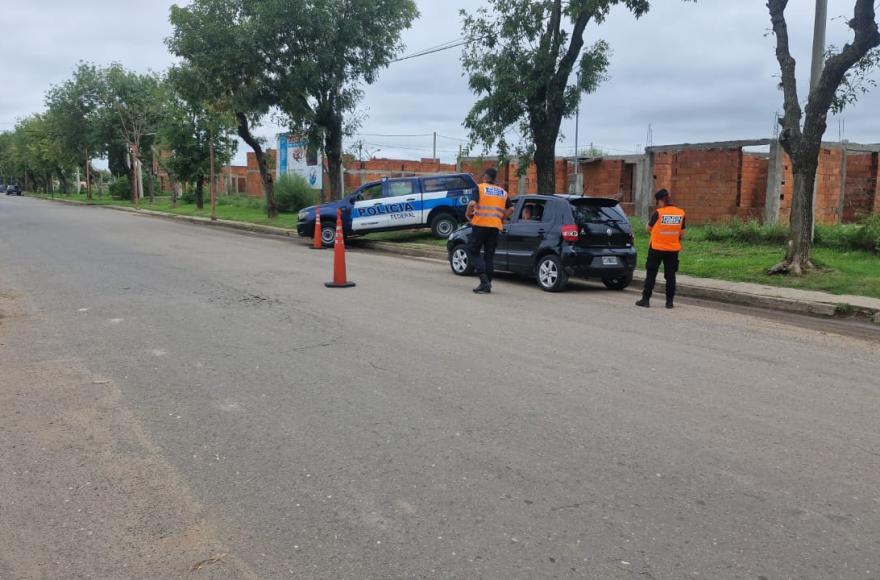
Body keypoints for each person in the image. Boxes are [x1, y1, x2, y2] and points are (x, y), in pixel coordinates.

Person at [636, 189, 686, 309]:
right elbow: (682, 233)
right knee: (670, 276)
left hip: (656, 248)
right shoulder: (681, 213)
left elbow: (648, 228)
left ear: (660, 201)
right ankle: (669, 302)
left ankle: (645, 300)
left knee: (651, 274)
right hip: (673, 249)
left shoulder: (658, 213)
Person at [465, 168, 512, 294]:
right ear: (495, 178)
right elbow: (511, 208)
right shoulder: (502, 192)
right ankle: (487, 283)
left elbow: (472, 203)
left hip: (480, 224)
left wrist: (468, 214)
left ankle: (484, 281)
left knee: (473, 250)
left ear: (485, 177)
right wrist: (502, 217)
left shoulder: (480, 188)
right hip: (495, 227)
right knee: (489, 255)